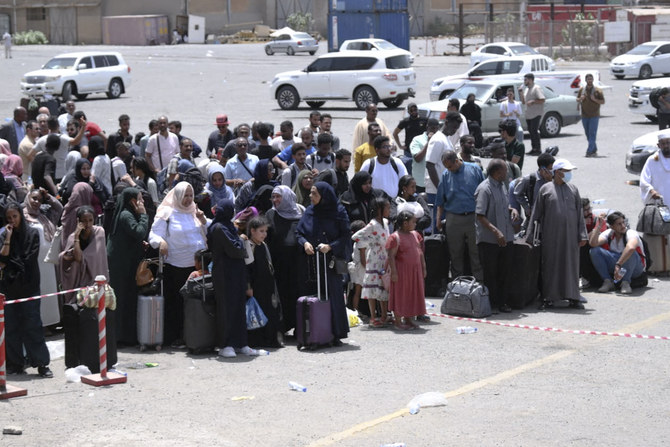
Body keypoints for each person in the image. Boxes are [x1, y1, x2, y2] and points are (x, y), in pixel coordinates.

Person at [149, 182, 208, 347]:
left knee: (194, 302)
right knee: (176, 303)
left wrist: (203, 220)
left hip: (196, 266)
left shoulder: (195, 212)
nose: (188, 199)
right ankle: (176, 336)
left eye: (191, 195)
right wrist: (161, 242)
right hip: (175, 266)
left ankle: (193, 335)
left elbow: (208, 229)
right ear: (177, 195)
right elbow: (153, 234)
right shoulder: (167, 213)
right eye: (185, 195)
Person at [58, 205, 114, 371]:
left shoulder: (100, 233)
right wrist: (76, 237)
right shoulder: (71, 237)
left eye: (90, 220)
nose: (88, 224)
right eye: (84, 221)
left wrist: (76, 257)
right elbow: (76, 257)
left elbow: (89, 258)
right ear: (78, 222)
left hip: (96, 284)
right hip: (79, 288)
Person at [527, 158, 588, 310]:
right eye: (566, 171)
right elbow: (536, 214)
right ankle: (550, 298)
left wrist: (582, 235)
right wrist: (530, 236)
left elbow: (579, 214)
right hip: (551, 236)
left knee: (571, 266)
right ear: (557, 172)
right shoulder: (545, 189)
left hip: (571, 237)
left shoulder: (573, 189)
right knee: (551, 266)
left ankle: (573, 297)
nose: (568, 174)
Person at [0, 202, 52, 377]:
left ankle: (41, 364)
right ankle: (15, 364)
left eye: (15, 216)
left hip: (28, 286)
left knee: (33, 325)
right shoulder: (4, 235)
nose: (12, 221)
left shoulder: (32, 234)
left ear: (21, 216)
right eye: (9, 218)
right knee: (12, 326)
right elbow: (2, 258)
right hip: (9, 288)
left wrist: (9, 263)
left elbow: (28, 259)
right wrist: (7, 238)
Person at [208, 200, 265, 357]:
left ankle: (241, 343)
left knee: (238, 308)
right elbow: (236, 250)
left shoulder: (228, 227)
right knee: (226, 309)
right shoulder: (219, 228)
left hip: (236, 274)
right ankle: (226, 344)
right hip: (225, 275)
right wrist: (241, 240)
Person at [296, 182, 351, 345]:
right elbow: (299, 232)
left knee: (332, 296)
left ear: (324, 196)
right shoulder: (310, 211)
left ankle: (335, 333)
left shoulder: (338, 211)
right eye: (311, 193)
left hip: (330, 263)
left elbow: (345, 236)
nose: (311, 197)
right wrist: (305, 243)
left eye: (315, 194)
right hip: (311, 262)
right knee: (313, 297)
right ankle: (315, 332)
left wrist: (330, 247)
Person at [107, 188, 149, 345]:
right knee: (123, 299)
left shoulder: (126, 214)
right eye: (140, 199)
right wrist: (144, 215)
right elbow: (138, 231)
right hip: (122, 265)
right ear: (132, 201)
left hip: (125, 263)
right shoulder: (126, 215)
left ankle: (125, 336)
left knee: (126, 298)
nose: (142, 202)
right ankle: (120, 337)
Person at [474, 159, 518, 313]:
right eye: (505, 171)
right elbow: (480, 215)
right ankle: (491, 304)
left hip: (506, 238)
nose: (507, 174)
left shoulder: (502, 185)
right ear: (497, 172)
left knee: (506, 271)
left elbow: (504, 205)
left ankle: (503, 302)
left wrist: (512, 209)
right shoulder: (484, 189)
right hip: (490, 240)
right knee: (491, 274)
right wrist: (496, 231)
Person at [435, 150, 485, 280]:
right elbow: (441, 200)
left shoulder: (474, 170)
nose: (449, 170)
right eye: (446, 167)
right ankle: (457, 286)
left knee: (476, 253)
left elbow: (484, 192)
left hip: (473, 217)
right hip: (454, 218)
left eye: (450, 166)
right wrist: (438, 219)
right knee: (455, 254)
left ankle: (479, 285)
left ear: (457, 161)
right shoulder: (446, 175)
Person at [265, 185, 304, 334]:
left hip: (297, 264)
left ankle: (298, 327)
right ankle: (282, 327)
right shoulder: (271, 214)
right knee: (281, 296)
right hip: (279, 265)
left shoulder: (300, 212)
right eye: (273, 197)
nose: (275, 200)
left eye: (278, 196)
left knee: (296, 294)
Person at [352, 197, 391, 328]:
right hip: (374, 259)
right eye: (387, 207)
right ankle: (374, 317)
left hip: (384, 258)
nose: (389, 210)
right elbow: (356, 236)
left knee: (383, 288)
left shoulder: (385, 222)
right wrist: (370, 243)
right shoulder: (372, 224)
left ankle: (384, 315)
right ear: (380, 209)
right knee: (373, 288)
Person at [245, 216, 283, 348]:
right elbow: (247, 269)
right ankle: (257, 341)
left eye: (265, 231)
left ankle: (271, 339)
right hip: (256, 286)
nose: (264, 234)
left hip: (268, 285)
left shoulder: (264, 245)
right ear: (252, 231)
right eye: (261, 231)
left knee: (271, 311)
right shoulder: (249, 246)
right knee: (257, 311)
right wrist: (248, 286)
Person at [23, 188, 62, 311]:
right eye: (34, 198)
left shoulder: (44, 215)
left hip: (47, 262)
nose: (36, 202)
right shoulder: (21, 216)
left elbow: (59, 209)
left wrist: (48, 196)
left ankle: (50, 323)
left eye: (39, 200)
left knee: (48, 290)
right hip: (32, 261)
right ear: (28, 197)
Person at [386, 210, 426, 330]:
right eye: (413, 222)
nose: (415, 224)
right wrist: (393, 272)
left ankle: (408, 319)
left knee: (412, 294)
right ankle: (398, 321)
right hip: (401, 272)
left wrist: (423, 267)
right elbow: (391, 256)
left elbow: (420, 253)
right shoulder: (395, 237)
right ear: (405, 223)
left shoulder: (415, 235)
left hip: (415, 271)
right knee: (400, 294)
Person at [589, 211, 646, 295]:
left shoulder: (631, 233)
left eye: (623, 222)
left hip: (635, 268)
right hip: (619, 266)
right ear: (612, 226)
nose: (623, 226)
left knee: (631, 252)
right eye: (619, 224)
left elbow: (631, 248)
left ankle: (626, 283)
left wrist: (618, 264)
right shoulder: (609, 233)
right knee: (594, 251)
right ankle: (608, 281)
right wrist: (599, 225)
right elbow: (593, 243)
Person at [425, 112, 462, 232]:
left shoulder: (446, 139)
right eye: (453, 127)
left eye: (457, 129)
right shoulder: (437, 140)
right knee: (438, 225)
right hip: (436, 192)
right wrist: (441, 190)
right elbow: (430, 165)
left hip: (446, 191)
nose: (454, 131)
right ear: (446, 123)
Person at [639, 131, 670, 275]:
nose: (666, 146)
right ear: (659, 145)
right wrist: (651, 191)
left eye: (668, 143)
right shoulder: (652, 160)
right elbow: (644, 180)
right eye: (663, 144)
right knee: (659, 236)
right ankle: (658, 265)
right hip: (660, 204)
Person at [514, 153, 555, 225]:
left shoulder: (554, 179)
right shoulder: (529, 179)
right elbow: (518, 193)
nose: (553, 172)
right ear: (543, 169)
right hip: (535, 216)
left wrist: (551, 181)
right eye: (551, 169)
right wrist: (526, 207)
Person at [577, 73, 605, 157]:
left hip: (594, 115)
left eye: (591, 79)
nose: (590, 81)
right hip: (585, 114)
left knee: (592, 133)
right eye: (588, 79)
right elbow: (577, 99)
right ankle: (593, 149)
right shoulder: (582, 90)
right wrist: (580, 99)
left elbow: (603, 101)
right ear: (586, 80)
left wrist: (595, 99)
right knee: (587, 134)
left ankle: (589, 151)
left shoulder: (597, 90)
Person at [409, 118, 440, 194]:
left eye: (437, 129)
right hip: (420, 183)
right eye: (432, 128)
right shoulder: (417, 140)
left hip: (435, 182)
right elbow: (417, 158)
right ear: (427, 127)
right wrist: (429, 142)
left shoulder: (440, 140)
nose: (435, 131)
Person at [519, 73, 545, 156]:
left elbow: (542, 100)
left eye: (525, 80)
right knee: (531, 131)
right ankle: (534, 149)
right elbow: (524, 102)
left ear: (530, 80)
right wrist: (521, 93)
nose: (524, 81)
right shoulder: (527, 89)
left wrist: (533, 101)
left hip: (536, 113)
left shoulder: (536, 88)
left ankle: (538, 149)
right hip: (529, 114)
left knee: (534, 131)